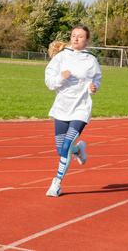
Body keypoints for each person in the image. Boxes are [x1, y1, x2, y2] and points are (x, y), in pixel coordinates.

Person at [44, 25, 102, 197]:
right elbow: (49, 82)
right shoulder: (61, 57)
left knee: (66, 146)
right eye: (73, 36)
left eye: (80, 36)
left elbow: (97, 79)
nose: (76, 39)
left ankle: (57, 183)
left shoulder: (91, 60)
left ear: (87, 40)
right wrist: (61, 78)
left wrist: (94, 87)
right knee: (61, 150)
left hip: (81, 109)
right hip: (62, 107)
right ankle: (79, 151)